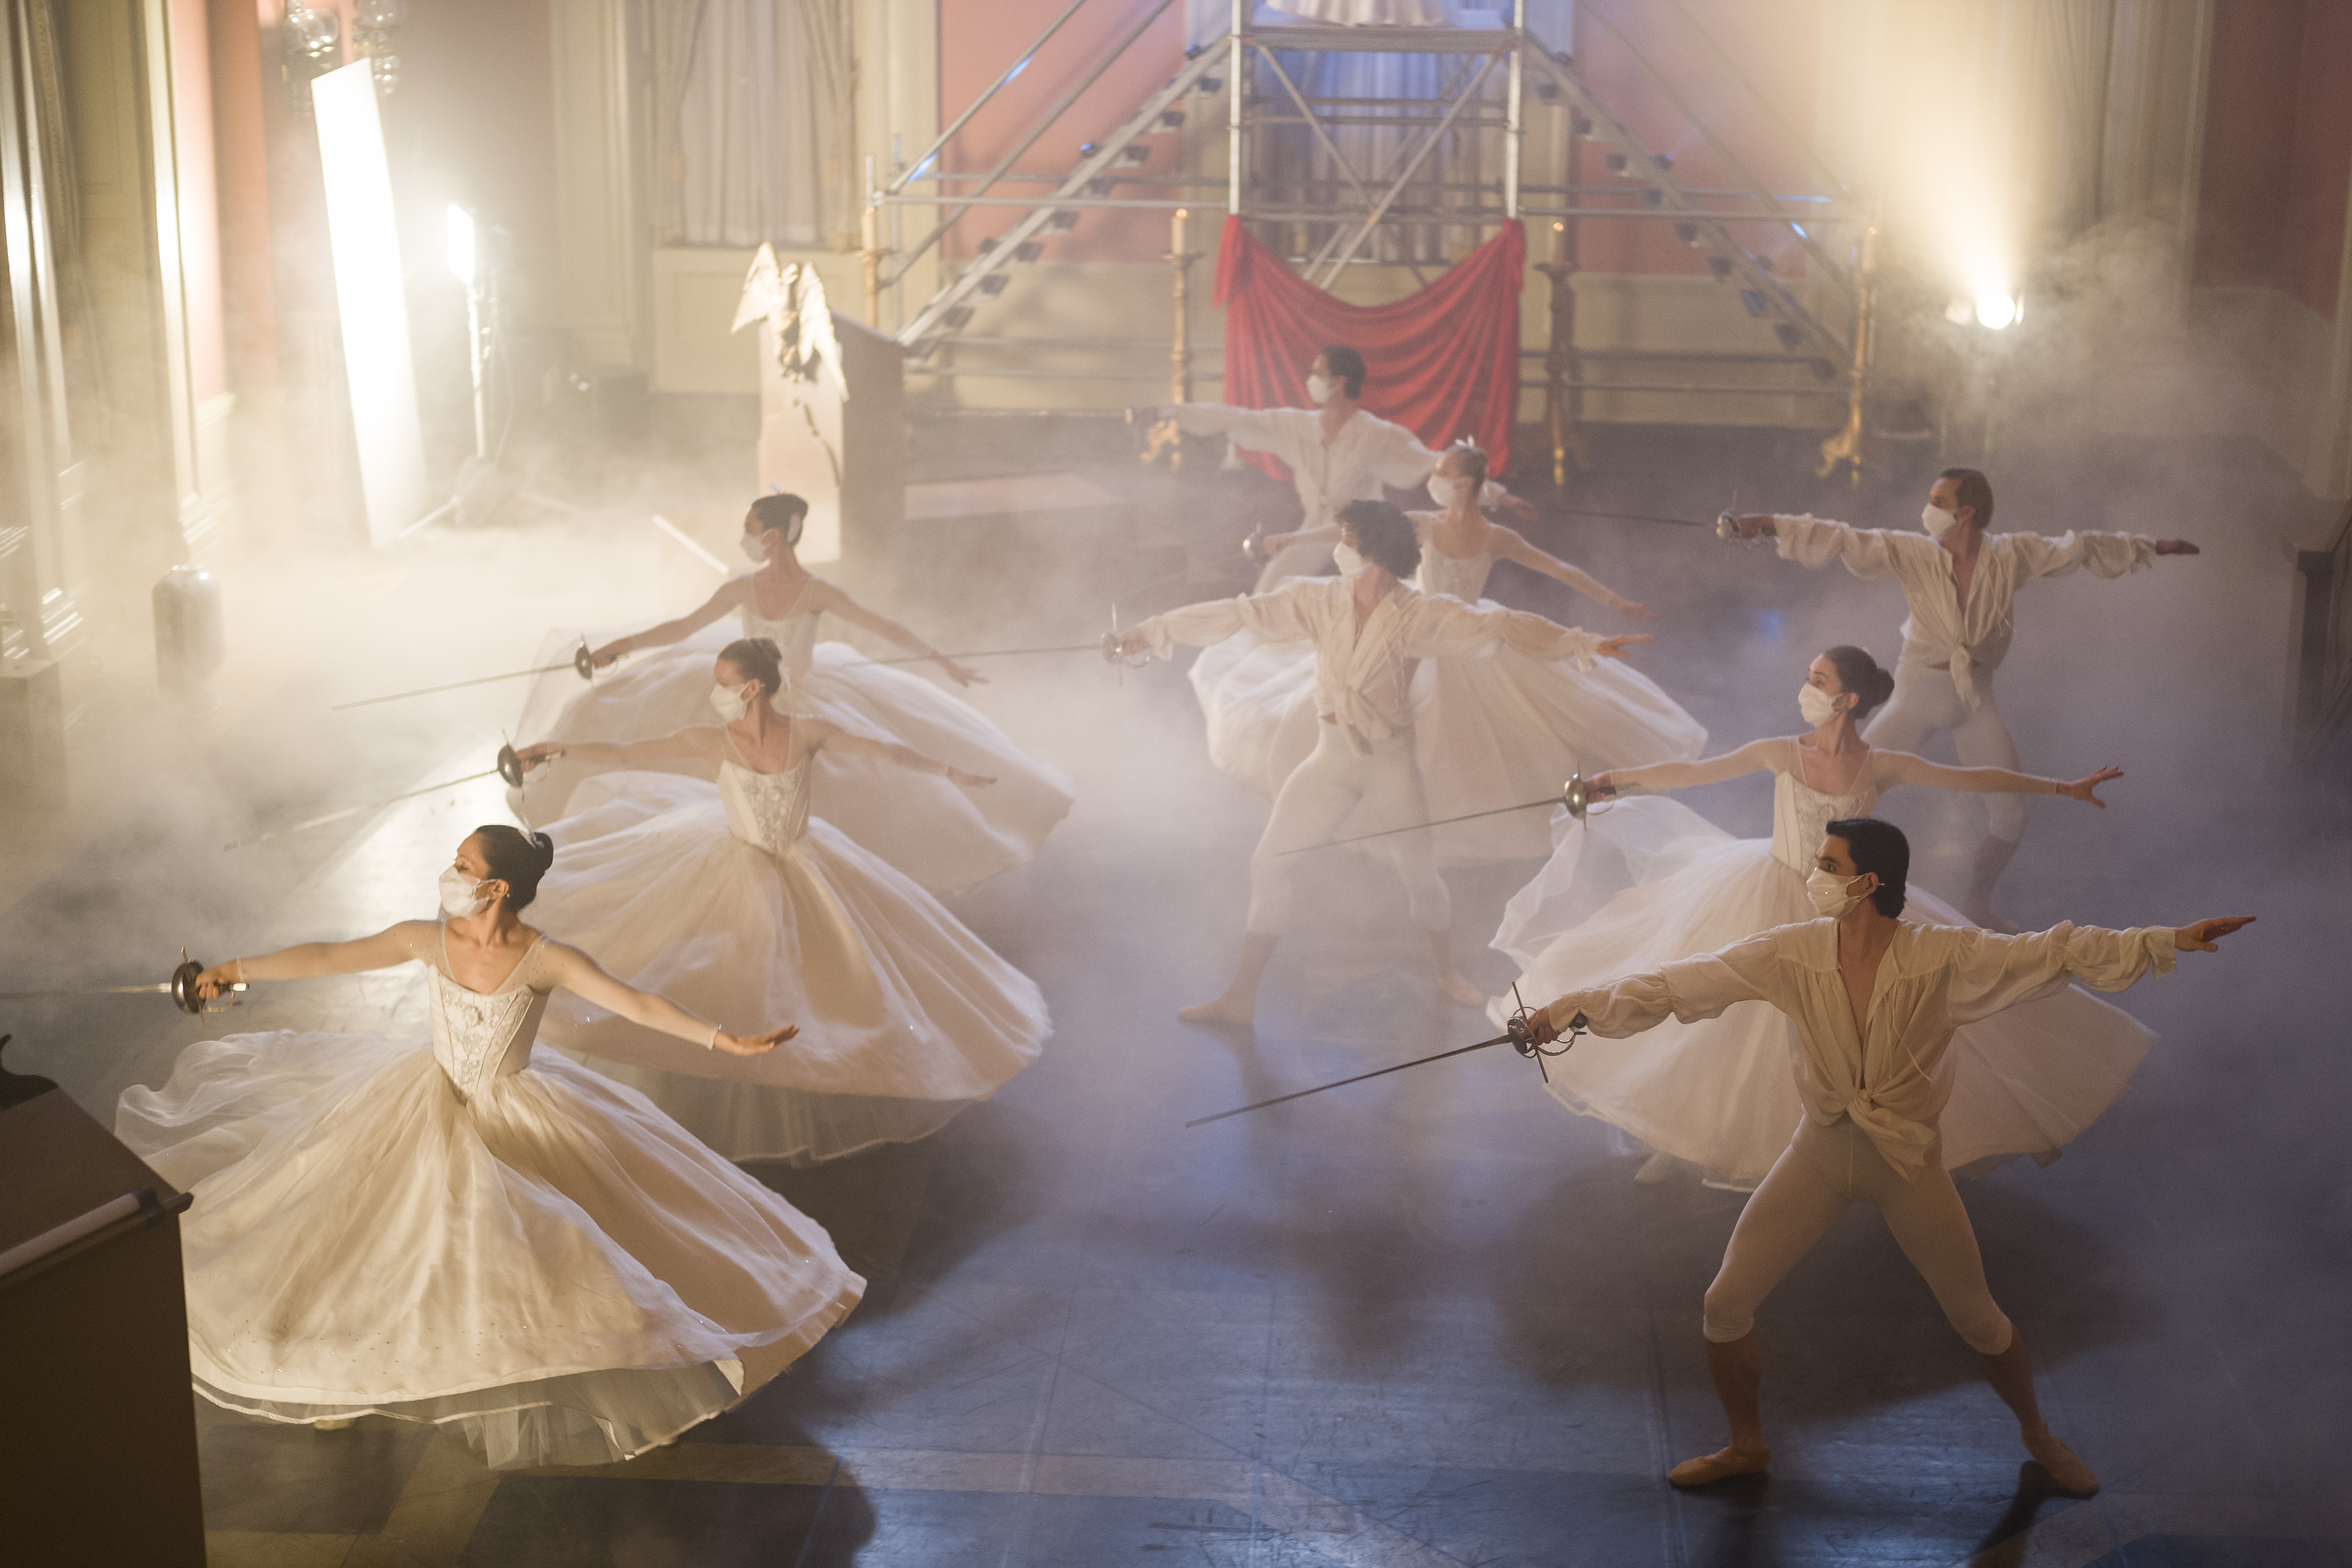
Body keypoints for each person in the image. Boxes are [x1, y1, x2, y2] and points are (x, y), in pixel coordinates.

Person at [1525, 815, 2253, 1494]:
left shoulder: (1940, 956)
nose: (1814, 874)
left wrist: (2167, 940)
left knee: (1978, 1320)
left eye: (1827, 864)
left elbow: (2050, 950)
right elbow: (1681, 982)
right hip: (1817, 1155)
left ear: (1867, 882)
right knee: (1725, 1302)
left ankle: (2039, 1435)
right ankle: (1747, 1443)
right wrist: (1570, 1007)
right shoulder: (1791, 950)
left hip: (1908, 1169)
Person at [114, 826, 863, 1470]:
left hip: (516, 1112)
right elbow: (331, 956)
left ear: (498, 888)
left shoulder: (542, 957)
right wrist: (234, 970)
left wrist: (723, 1039)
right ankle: (343, 1375)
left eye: (464, 867)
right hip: (424, 1098)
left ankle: (635, 1361)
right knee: (369, 1232)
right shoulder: (428, 940)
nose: (452, 873)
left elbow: (630, 1001)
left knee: (543, 1253)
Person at [1492, 645, 2149, 1186]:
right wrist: (1620, 779)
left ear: (1848, 700)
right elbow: (1695, 773)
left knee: (1888, 1016)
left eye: (1818, 680)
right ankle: (1690, 1136)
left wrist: (2059, 787)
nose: (1806, 687)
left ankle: (1966, 1121)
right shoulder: (1783, 751)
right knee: (1719, 1010)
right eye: (1809, 677)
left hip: (1846, 909)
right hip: (1765, 886)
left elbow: (1970, 779)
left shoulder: (1880, 763)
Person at [513, 636, 1050, 1164]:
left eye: (722, 683)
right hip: (733, 859)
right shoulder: (713, 740)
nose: (714, 692)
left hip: (803, 859)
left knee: (832, 969)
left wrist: (947, 770)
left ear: (751, 688)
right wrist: (554, 751)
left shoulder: (806, 733)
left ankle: (820, 1066)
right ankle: (728, 1061)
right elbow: (624, 753)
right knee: (720, 963)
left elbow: (879, 748)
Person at [1117, 499, 1652, 1023]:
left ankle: (1447, 971)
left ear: (1374, 553)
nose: (1340, 550)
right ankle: (1240, 995)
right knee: (1269, 864)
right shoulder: (1319, 600)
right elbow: (1240, 613)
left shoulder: (1419, 614)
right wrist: (1154, 629)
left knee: (1420, 879)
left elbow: (1502, 627)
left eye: (1347, 542)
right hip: (1330, 761)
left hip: (1391, 766)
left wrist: (1582, 642)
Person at [513, 492, 1073, 895]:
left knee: (838, 778)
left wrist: (943, 661)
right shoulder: (741, 587)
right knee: (650, 735)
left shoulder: (816, 593)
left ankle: (814, 873)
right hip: (736, 684)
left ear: (773, 535)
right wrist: (622, 646)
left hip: (798, 693)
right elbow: (684, 628)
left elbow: (883, 627)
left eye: (751, 527)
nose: (745, 536)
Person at [1186, 439, 1701, 864]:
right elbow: (1351, 529)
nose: (1432, 478)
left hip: (1468, 633)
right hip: (1413, 627)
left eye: (1443, 472)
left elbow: (1558, 569)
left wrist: (1616, 602)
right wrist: (1288, 538)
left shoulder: (1494, 536)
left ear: (1466, 484)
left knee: (1485, 730)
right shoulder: (1422, 523)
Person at [1723, 469, 2199, 925]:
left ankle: (1977, 901)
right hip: (1915, 695)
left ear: (1967, 512)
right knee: (1843, 789)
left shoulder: (2011, 556)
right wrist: (1763, 525)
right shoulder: (1914, 552)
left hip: (1974, 699)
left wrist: (2151, 546)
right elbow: (1845, 536)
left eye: (1939, 502)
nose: (1929, 511)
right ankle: (1805, 890)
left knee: (2010, 814)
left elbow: (2077, 548)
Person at [1140, 345, 1528, 591]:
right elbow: (1235, 417)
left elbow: (1434, 463)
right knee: (1270, 590)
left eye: (1319, 372)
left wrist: (1500, 497)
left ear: (1340, 381)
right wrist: (1167, 411)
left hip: (1366, 532)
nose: (1311, 379)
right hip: (1315, 526)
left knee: (1397, 600)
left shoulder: (1378, 435)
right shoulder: (1297, 427)